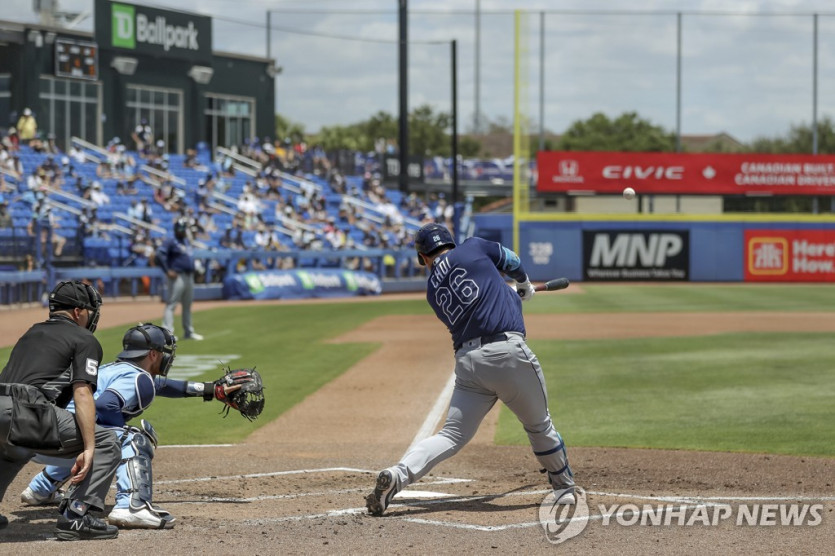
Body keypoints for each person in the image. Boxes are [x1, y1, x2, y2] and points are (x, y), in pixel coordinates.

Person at [365, 223, 575, 516]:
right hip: (507, 355)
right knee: (539, 425)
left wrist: (512, 294)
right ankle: (564, 488)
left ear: (424, 257)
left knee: (450, 435)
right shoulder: (473, 246)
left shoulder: (433, 290)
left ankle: (398, 475)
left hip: (469, 364)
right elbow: (511, 261)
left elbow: (479, 305)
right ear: (450, 242)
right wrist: (524, 284)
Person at [20, 323, 247, 529]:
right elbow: (106, 405)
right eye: (165, 353)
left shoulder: (115, 370)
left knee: (95, 435)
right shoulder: (139, 378)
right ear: (153, 354)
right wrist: (118, 436)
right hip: (64, 440)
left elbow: (161, 385)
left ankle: (40, 489)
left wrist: (209, 390)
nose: (168, 358)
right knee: (132, 436)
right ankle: (132, 506)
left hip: (43, 438)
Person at [0, 280, 121, 540]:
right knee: (106, 441)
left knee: (15, 449)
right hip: (27, 411)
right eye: (89, 310)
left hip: (4, 406)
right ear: (78, 312)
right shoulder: (84, 338)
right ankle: (79, 516)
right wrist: (89, 448)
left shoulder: (32, 332)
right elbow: (82, 392)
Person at [156, 218, 203, 341]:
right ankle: (168, 333)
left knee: (187, 305)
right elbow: (160, 255)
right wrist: (167, 270)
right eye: (180, 228)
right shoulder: (171, 241)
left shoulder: (186, 241)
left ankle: (189, 332)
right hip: (177, 276)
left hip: (189, 276)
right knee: (171, 304)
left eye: (183, 228)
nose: (181, 230)